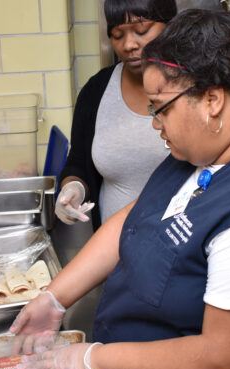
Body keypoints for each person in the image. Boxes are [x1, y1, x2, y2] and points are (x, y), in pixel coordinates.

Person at [11, 9, 230, 369]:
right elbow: (132, 218)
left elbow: (217, 358)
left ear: (212, 100)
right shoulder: (209, 148)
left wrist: (91, 360)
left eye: (161, 107)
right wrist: (53, 298)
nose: (156, 123)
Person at [55, 0, 177, 231]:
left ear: (170, 26)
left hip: (181, 252)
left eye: (141, 31)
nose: (128, 44)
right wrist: (73, 189)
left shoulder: (195, 89)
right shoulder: (97, 90)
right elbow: (79, 161)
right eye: (117, 35)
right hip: (113, 250)